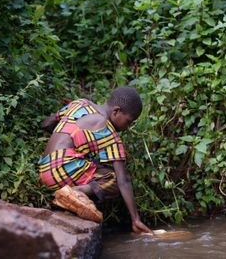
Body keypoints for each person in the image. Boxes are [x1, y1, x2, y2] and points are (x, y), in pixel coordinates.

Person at [38, 86, 152, 234]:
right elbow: (123, 180)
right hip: (61, 173)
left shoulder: (80, 104)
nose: (128, 127)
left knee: (92, 161)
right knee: (113, 178)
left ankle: (64, 193)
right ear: (116, 111)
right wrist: (136, 219)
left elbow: (48, 123)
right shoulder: (108, 132)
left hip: (44, 169)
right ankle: (75, 192)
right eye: (128, 122)